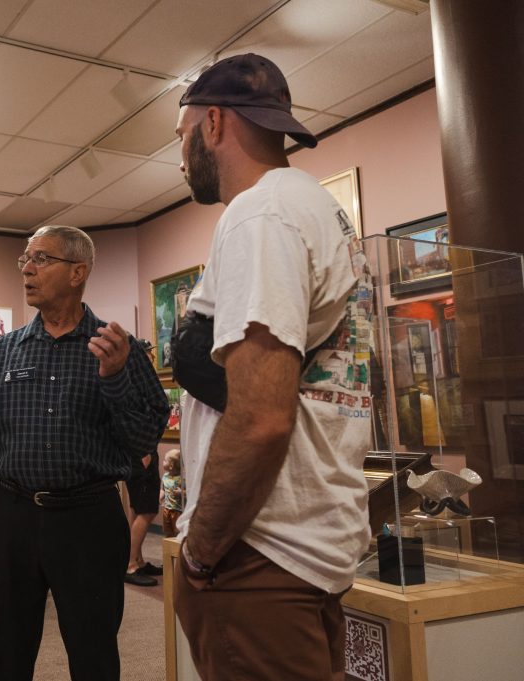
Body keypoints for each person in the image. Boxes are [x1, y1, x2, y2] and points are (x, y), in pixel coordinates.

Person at [171, 54, 373, 680]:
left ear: (212, 123)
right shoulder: (314, 208)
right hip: (307, 542)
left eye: (181, 139)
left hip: (261, 550)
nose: (181, 160)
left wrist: (200, 552)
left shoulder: (261, 215)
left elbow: (260, 417)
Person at [0, 225, 169, 681]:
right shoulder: (4, 351)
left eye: (40, 259)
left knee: (93, 649)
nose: (27, 270)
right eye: (24, 261)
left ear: (78, 272)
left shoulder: (118, 349)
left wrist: (113, 379)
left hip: (88, 519)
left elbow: (143, 439)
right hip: (10, 514)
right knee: (5, 647)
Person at [123, 451, 161, 587]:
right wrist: (145, 454)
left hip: (137, 458)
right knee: (147, 511)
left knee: (138, 509)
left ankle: (138, 561)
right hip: (141, 457)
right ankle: (130, 564)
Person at [160, 448, 183, 538]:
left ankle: (177, 548)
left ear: (171, 465)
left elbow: (189, 492)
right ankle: (168, 547)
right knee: (167, 530)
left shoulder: (182, 479)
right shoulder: (165, 476)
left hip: (178, 510)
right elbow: (163, 489)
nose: (163, 461)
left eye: (165, 460)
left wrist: (181, 492)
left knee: (177, 531)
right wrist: (160, 497)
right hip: (167, 508)